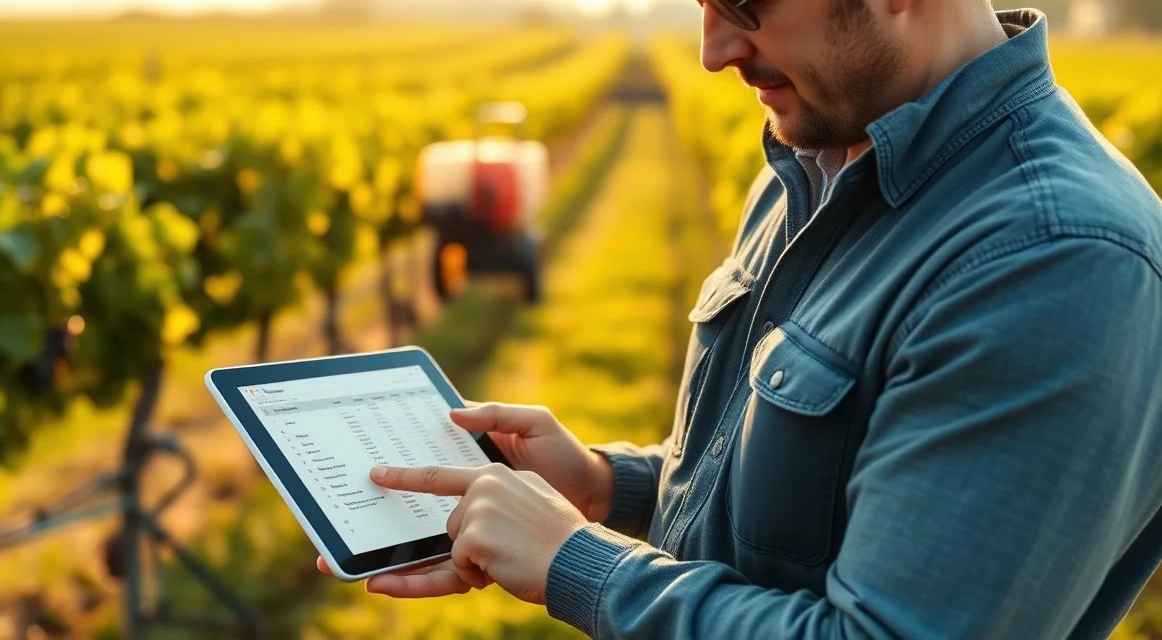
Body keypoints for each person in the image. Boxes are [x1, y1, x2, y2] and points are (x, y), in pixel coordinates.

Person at [318, 2, 1162, 638]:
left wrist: (577, 563)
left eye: (746, 6)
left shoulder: (1052, 258)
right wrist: (611, 487)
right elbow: (813, 499)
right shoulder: (813, 162)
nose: (713, 51)